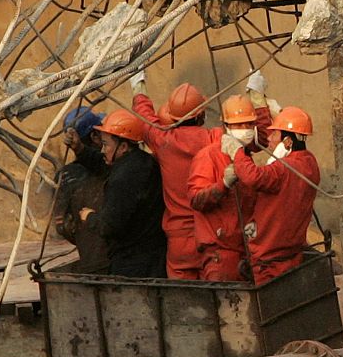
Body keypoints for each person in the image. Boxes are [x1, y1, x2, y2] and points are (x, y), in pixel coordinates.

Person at [129, 70, 273, 280]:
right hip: (214, 236)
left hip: (180, 240)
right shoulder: (217, 139)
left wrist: (138, 84)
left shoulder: (163, 140)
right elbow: (259, 138)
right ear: (201, 115)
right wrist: (256, 96)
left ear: (171, 116)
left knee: (184, 298)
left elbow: (144, 117)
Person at [232, 106, 320, 285]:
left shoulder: (283, 169)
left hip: (269, 258)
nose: (269, 138)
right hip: (292, 254)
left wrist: (237, 152)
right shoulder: (309, 162)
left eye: (274, 134)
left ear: (287, 141)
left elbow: (252, 177)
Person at [76, 109, 167, 278]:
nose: (102, 150)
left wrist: (89, 217)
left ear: (123, 146)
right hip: (155, 257)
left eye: (106, 144)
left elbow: (109, 226)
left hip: (132, 266)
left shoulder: (123, 178)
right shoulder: (144, 161)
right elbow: (104, 164)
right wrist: (80, 150)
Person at [187, 94, 262, 282]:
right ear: (226, 126)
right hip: (220, 255)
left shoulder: (245, 159)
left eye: (248, 124)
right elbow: (196, 199)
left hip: (245, 253)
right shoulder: (208, 156)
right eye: (238, 125)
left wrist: (254, 222)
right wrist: (224, 184)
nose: (244, 130)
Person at [55, 107, 111, 274]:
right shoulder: (115, 168)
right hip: (117, 261)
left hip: (89, 262)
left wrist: (85, 238)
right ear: (94, 136)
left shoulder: (64, 175)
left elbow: (62, 226)